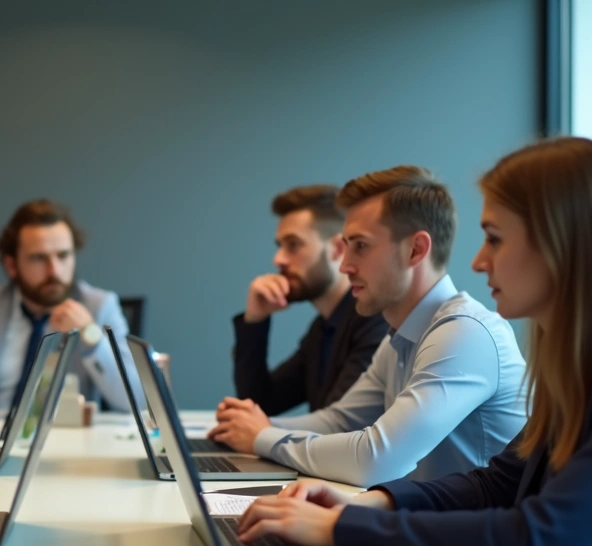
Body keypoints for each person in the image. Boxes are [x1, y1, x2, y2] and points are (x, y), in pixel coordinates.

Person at [235, 137, 592, 546]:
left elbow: (535, 538)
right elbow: (498, 483)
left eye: (495, 238)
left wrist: (342, 528)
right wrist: (372, 504)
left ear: (562, 241)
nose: (479, 261)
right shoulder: (579, 362)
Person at [210, 166, 527, 486]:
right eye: (346, 246)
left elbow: (376, 459)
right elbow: (338, 421)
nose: (345, 265)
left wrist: (263, 436)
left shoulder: (464, 333)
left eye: (360, 246)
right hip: (426, 525)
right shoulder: (400, 336)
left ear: (416, 250)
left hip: (470, 533)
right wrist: (252, 427)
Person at [0, 199, 141, 411]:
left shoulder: (99, 306)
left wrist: (92, 337)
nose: (54, 271)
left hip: (71, 446)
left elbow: (137, 400)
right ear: (11, 265)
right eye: (39, 258)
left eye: (63, 256)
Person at [232, 184, 389, 414]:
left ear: (338, 249)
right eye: (280, 246)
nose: (279, 259)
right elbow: (259, 403)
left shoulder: (374, 322)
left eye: (293, 245)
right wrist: (255, 320)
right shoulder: (323, 329)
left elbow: (340, 426)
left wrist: (258, 432)